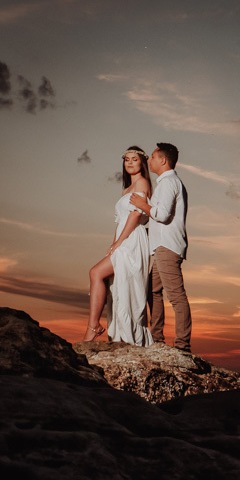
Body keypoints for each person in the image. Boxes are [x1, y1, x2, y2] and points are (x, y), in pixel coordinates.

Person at [83, 147, 152, 344]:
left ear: (142, 163)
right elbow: (119, 220)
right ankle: (100, 327)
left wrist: (120, 241)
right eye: (127, 159)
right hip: (122, 239)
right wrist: (113, 243)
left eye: (134, 159)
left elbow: (136, 214)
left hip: (132, 240)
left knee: (96, 273)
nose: (130, 163)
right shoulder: (126, 189)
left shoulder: (142, 182)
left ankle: (93, 327)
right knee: (113, 283)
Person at [130, 142, 192, 352]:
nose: (149, 160)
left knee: (176, 296)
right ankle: (157, 340)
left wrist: (142, 205)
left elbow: (163, 215)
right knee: (152, 291)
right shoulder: (167, 183)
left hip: (167, 246)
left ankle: (183, 346)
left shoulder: (168, 183)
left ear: (163, 160)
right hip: (160, 247)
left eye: (153, 157)